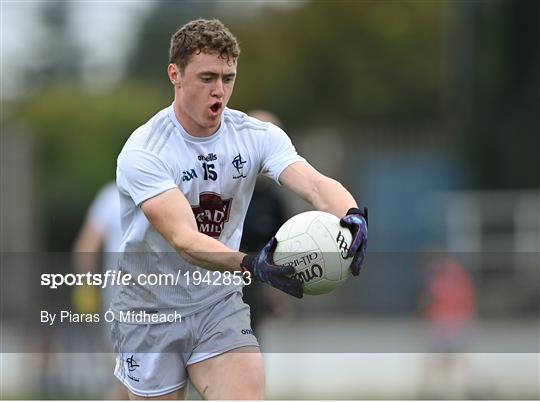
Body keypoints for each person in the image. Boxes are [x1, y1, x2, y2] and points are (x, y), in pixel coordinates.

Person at [112, 18, 368, 400]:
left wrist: (353, 216)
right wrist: (252, 264)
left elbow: (313, 183)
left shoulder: (254, 136)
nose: (219, 91)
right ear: (175, 75)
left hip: (218, 302)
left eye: (228, 78)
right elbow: (184, 239)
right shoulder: (145, 151)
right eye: (207, 78)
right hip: (150, 308)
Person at [72, 181, 128, 400]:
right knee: (127, 379)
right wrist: (86, 288)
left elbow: (85, 248)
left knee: (127, 379)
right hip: (123, 295)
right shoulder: (110, 196)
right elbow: (86, 248)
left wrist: (86, 289)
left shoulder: (110, 195)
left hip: (130, 294)